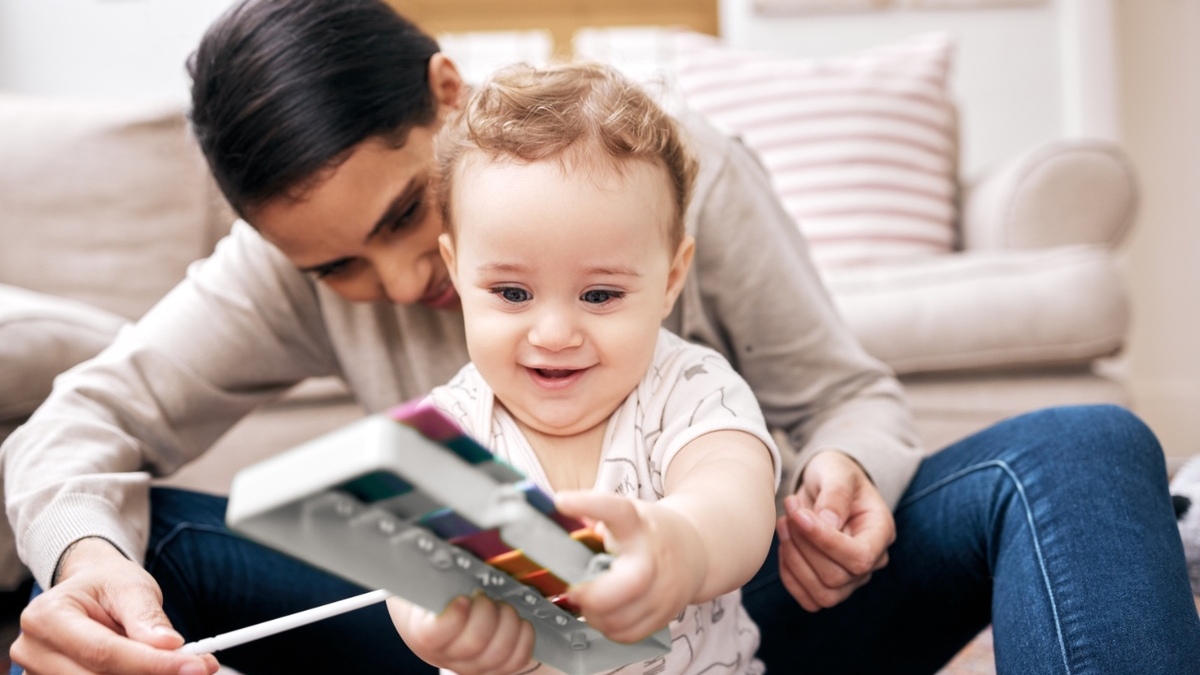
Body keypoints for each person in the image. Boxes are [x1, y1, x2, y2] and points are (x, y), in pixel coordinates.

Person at [3, 0, 1197, 673]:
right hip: (481, 641)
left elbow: (826, 411)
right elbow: (82, 423)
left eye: (411, 214)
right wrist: (90, 574)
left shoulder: (671, 186)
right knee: (96, 584)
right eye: (335, 269)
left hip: (733, 627)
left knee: (1083, 450)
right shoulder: (299, 276)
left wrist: (840, 475)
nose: (407, 276)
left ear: (449, 96)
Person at [384, 62, 779, 674]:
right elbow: (406, 570)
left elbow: (734, 497)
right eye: (512, 293)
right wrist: (435, 624)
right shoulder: (447, 428)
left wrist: (682, 548)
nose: (555, 335)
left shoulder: (690, 390)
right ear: (457, 271)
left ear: (671, 279)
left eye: (599, 296)